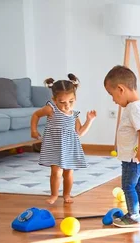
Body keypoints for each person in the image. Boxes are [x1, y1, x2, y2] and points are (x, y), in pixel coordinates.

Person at [31, 74, 96, 204]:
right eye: (62, 102)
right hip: (54, 146)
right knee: (56, 172)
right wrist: (33, 130)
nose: (67, 105)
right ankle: (54, 195)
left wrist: (89, 120)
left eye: (71, 101)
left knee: (68, 172)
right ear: (54, 100)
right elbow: (36, 115)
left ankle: (67, 195)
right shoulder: (51, 109)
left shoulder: (74, 115)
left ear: (75, 98)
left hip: (70, 147)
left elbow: (80, 133)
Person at [104, 65, 140, 227]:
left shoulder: (134, 108)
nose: (113, 100)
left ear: (120, 89)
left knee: (128, 185)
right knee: (139, 185)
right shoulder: (139, 105)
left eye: (112, 95)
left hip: (134, 159)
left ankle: (133, 215)